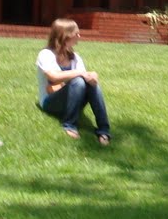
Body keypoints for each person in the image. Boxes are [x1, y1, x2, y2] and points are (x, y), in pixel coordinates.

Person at [35, 17, 112, 145]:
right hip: (50, 102)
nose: (79, 36)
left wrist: (92, 77)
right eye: (76, 33)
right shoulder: (46, 54)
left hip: (72, 98)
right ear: (65, 36)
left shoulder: (75, 57)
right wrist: (80, 73)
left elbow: (83, 79)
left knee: (92, 85)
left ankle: (104, 130)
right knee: (79, 81)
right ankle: (69, 125)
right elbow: (53, 77)